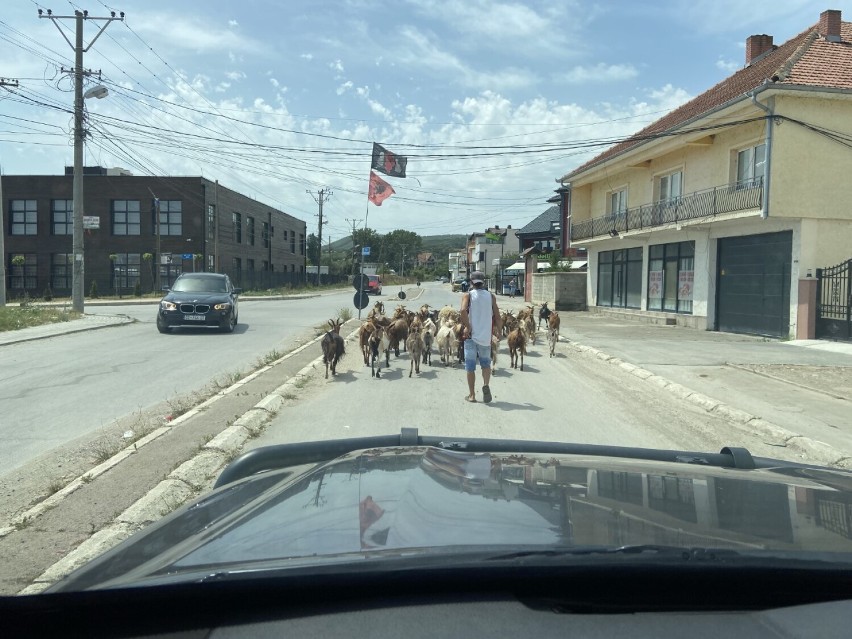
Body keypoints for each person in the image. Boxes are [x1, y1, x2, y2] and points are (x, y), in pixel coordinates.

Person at [459, 271, 502, 404]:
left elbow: (462, 311)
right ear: (483, 282)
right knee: (485, 364)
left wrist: (468, 326)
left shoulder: (468, 295)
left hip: (471, 337)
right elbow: (497, 315)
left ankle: (472, 395)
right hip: (485, 337)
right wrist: (499, 330)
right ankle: (486, 385)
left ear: (471, 282)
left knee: (470, 367)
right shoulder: (491, 296)